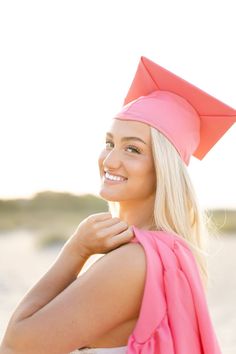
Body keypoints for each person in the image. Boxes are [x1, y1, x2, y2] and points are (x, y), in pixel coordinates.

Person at [0, 56, 235, 354]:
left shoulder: (133, 262)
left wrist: (75, 250)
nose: (110, 160)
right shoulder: (170, 252)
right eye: (110, 143)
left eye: (133, 149)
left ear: (164, 168)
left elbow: (16, 346)